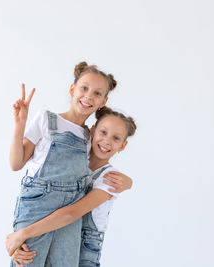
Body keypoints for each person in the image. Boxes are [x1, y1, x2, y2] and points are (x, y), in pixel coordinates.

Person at [9, 62, 132, 267]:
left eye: (97, 93)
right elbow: (15, 163)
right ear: (72, 89)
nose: (88, 96)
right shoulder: (47, 119)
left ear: (103, 101)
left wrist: (128, 182)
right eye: (84, 88)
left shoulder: (88, 138)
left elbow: (98, 170)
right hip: (37, 207)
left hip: (69, 218)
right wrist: (20, 124)